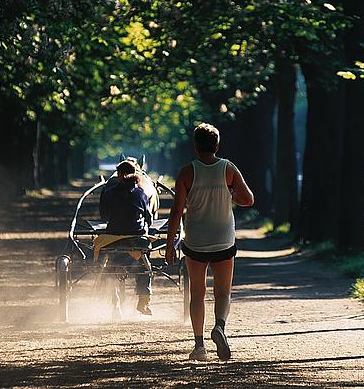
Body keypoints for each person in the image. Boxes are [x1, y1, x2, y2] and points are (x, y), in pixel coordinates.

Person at [166, 123, 254, 361]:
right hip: (223, 240)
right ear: (216, 145)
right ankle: (220, 328)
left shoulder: (186, 172)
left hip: (195, 241)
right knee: (223, 292)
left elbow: (176, 212)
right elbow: (249, 199)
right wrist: (230, 194)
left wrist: (169, 244)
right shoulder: (228, 169)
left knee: (197, 292)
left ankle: (199, 346)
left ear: (195, 146)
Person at [98, 159, 154, 316]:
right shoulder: (141, 194)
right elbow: (149, 218)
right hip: (138, 240)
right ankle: (144, 300)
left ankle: (115, 304)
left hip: (114, 238)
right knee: (144, 266)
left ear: (119, 175)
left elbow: (104, 216)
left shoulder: (108, 193)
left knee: (111, 263)